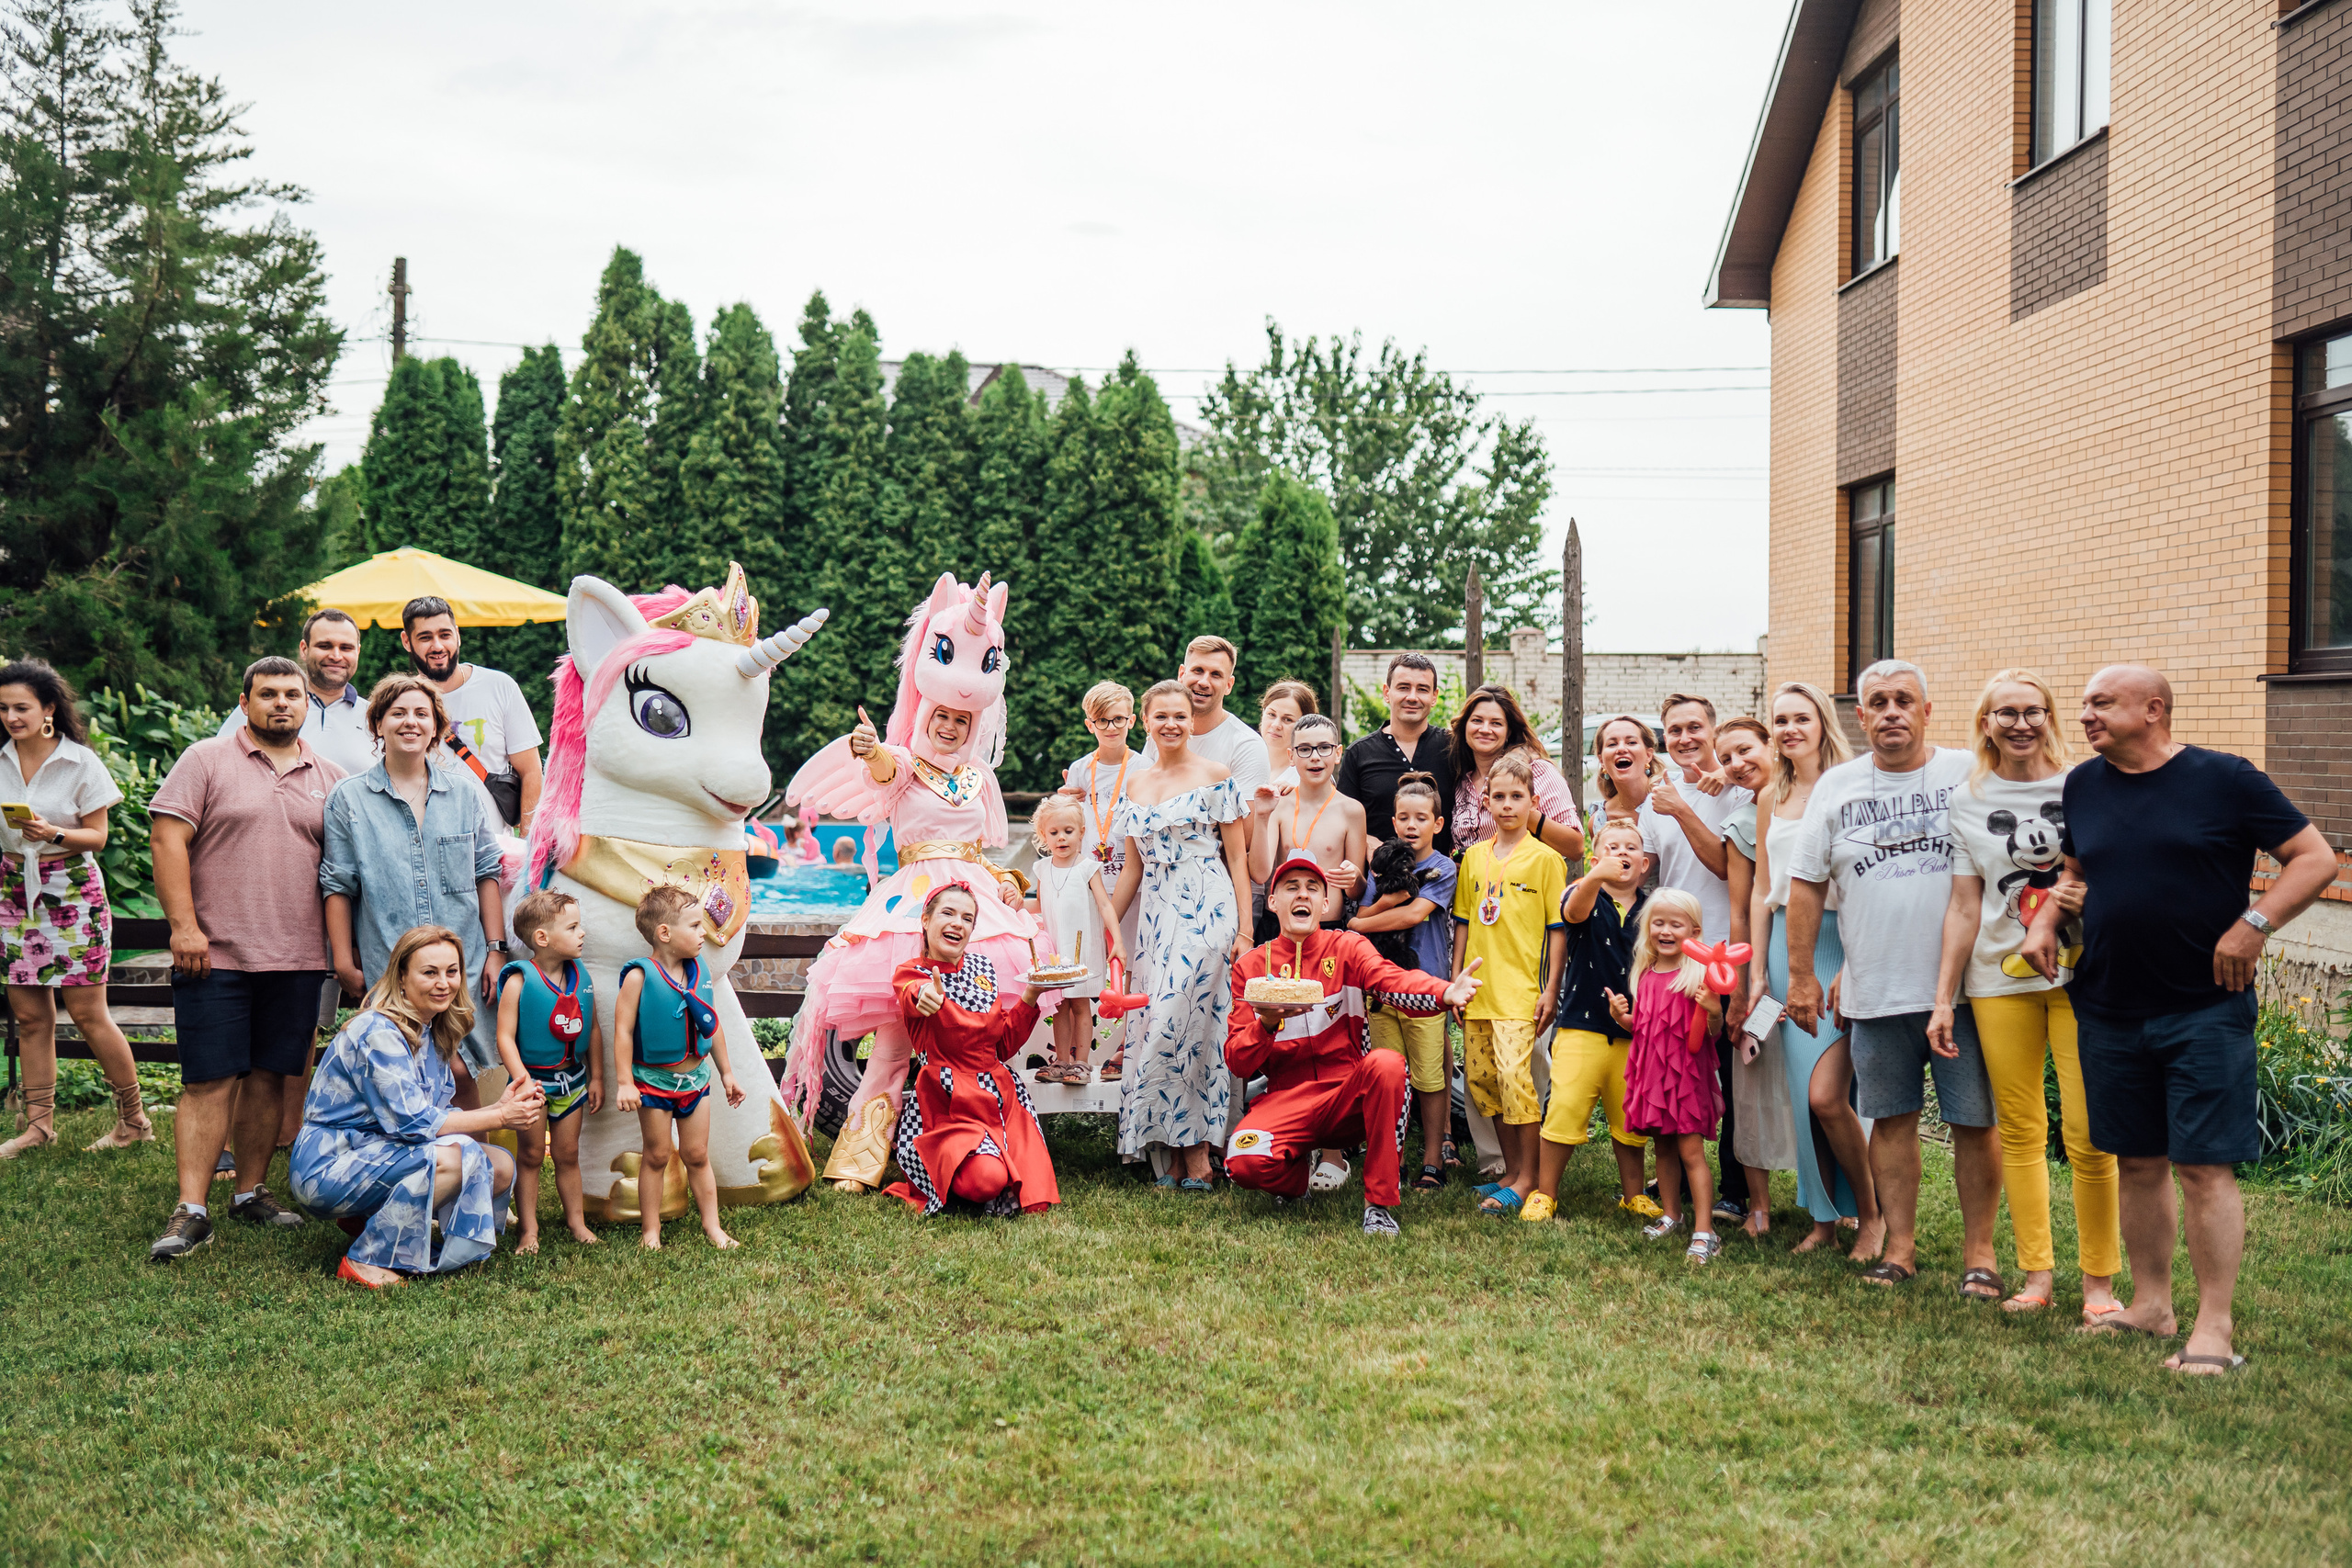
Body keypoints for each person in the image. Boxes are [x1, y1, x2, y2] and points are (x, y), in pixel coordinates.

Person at [2022, 664, 2335, 1374]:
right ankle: (2152, 1306)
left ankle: (2214, 1329)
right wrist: (2047, 918)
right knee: (2136, 1161)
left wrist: (2254, 922)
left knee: (2202, 1167)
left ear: (2153, 709)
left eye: (2101, 703)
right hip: (2107, 1004)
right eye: (2086, 704)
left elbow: (2315, 858)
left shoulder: (2225, 779)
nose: (2087, 715)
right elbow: (2077, 870)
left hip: (2203, 1007)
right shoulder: (2083, 784)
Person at [778, 571, 1038, 1193]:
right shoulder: (904, 765)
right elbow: (879, 770)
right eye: (940, 716)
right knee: (896, 1045)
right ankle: (859, 1164)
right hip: (911, 915)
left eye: (958, 718)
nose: (948, 726)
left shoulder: (981, 778)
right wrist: (868, 747)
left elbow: (982, 848)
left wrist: (1002, 879)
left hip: (976, 912)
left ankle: (989, 1146)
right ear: (926, 710)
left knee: (976, 1040)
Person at [1786, 660, 2001, 1293]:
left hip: (1963, 988)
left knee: (1973, 1120)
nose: (1891, 712)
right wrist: (1803, 973)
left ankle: (1980, 1255)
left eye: (1904, 700)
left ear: (1928, 710)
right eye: (1877, 702)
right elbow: (1806, 884)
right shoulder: (1838, 785)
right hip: (1875, 987)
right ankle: (1899, 1249)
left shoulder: (1966, 772)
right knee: (1892, 1118)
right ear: (1861, 715)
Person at [1927, 670, 2120, 1318]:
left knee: (2090, 1132)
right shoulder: (1967, 799)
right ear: (1984, 722)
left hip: (2081, 975)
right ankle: (2037, 1275)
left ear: (2049, 716)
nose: (2019, 723)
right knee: (2020, 1130)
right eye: (2004, 712)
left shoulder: (2084, 785)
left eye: (2032, 711)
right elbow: (1962, 904)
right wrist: (1943, 997)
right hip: (1995, 980)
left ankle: (2100, 1284)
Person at [147, 658, 348, 1261]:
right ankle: (192, 1208)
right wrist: (184, 926)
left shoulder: (333, 776)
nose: (281, 703)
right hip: (216, 951)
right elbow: (166, 838)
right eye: (268, 693)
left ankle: (250, 1191)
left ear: (308, 704)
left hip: (298, 954)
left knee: (270, 1075)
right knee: (209, 1078)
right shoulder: (205, 760)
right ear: (245, 700)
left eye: (292, 693)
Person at [1225, 856, 1484, 1235]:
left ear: (1326, 904)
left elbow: (1392, 981)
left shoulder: (1347, 946)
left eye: (1313, 888)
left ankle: (1378, 1205)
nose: (1303, 895)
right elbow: (1238, 1062)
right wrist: (1265, 1024)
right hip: (1286, 1100)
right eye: (1292, 887)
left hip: (1347, 1096)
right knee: (1244, 1161)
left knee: (1388, 1064)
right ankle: (1295, 1183)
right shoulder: (1250, 966)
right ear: (1273, 902)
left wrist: (1445, 991)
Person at [291, 924, 537, 1286]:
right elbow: (414, 1125)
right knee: (454, 1159)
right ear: (402, 978)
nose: (444, 983)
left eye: (451, 972)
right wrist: (499, 1115)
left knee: (498, 1166)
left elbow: (440, 1112)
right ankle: (366, 1259)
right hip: (330, 1164)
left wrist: (499, 1105)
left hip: (382, 1152)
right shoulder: (378, 1032)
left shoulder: (432, 1031)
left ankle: (371, 1216)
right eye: (430, 972)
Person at [319, 675, 507, 1089]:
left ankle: (473, 1154)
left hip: (464, 967)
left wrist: (496, 949)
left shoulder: (465, 794)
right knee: (404, 1077)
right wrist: (345, 964)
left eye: (422, 714)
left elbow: (485, 872)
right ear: (377, 725)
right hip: (390, 967)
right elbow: (338, 885)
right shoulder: (348, 799)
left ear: (437, 727)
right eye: (398, 713)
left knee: (469, 1074)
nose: (410, 722)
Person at [1746, 681, 1876, 1256]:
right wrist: (1756, 972)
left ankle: (1872, 1215)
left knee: (1831, 1094)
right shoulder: (1772, 794)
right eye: (1780, 720)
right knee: (1803, 1093)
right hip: (1785, 944)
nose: (1790, 729)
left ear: (1824, 721)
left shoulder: (1852, 787)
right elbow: (1760, 889)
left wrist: (1857, 960)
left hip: (1844, 944)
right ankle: (1824, 1220)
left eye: (1801, 718)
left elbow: (1865, 880)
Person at [0, 660, 149, 1156]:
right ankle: (39, 1126)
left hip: (71, 889)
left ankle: (134, 1120)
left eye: (21, 707)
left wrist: (53, 833)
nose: (11, 716)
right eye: (3, 708)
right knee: (30, 1018)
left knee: (87, 1013)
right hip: (11, 892)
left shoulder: (80, 762)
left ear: (48, 709)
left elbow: (99, 836)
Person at [1109, 680, 1251, 1188]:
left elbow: (1237, 860)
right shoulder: (1135, 784)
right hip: (1155, 919)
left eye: (1180, 715)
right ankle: (1171, 1148)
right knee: (1161, 1025)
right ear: (1145, 722)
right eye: (1160, 716)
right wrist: (1112, 934)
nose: (1170, 723)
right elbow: (1130, 871)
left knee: (1187, 1024)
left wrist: (1245, 931)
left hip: (1207, 911)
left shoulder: (1216, 775)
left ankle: (1197, 1157)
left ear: (1193, 722)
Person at [1639, 694, 1758, 1227]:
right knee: (1677, 1070)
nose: (1684, 738)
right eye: (1673, 731)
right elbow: (1645, 873)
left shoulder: (1740, 791)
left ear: (1713, 730)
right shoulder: (1655, 799)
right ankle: (1679, 1180)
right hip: (1672, 957)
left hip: (1724, 953)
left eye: (1694, 728)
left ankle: (1733, 1190)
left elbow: (1724, 870)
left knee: (1731, 1079)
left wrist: (1685, 808)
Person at [884, 884, 1061, 1216]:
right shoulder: (912, 973)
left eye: (967, 918)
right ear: (925, 919)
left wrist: (1031, 995)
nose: (958, 924)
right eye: (947, 913)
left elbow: (1002, 1045)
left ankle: (993, 1159)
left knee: (1033, 1202)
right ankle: (950, 1169)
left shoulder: (983, 969)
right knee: (986, 1183)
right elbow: (913, 994)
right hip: (949, 1102)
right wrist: (925, 998)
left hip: (1001, 1097)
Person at [1454, 752, 1568, 1215]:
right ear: (1485, 802)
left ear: (1533, 802)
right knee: (1484, 1083)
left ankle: (1530, 1181)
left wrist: (1550, 990)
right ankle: (1511, 1171)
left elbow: (1558, 929)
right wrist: (1455, 978)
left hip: (1521, 995)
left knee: (1515, 1079)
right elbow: (1463, 921)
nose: (1506, 805)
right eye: (1498, 796)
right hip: (1478, 991)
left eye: (1516, 797)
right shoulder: (1474, 857)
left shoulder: (1547, 860)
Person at [1527, 819, 1656, 1224]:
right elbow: (1573, 911)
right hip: (1581, 1025)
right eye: (1612, 847)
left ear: (1645, 863)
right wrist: (1594, 877)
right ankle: (1545, 1192)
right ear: (1596, 859)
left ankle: (1633, 1194)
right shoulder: (1583, 894)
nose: (1622, 853)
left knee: (1629, 1119)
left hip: (1633, 1031)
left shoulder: (1653, 908)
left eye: (1631, 847)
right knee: (1564, 1108)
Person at [614, 886, 747, 1250]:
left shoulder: (699, 971)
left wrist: (727, 1074)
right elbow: (623, 1032)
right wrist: (625, 1082)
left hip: (696, 1080)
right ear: (665, 934)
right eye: (694, 925)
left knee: (697, 1155)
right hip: (654, 1081)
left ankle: (713, 1227)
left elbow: (711, 1025)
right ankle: (650, 1232)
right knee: (656, 1155)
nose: (703, 931)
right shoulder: (639, 977)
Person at [1346, 773, 1459, 1189]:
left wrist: (1373, 915)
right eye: (1404, 818)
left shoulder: (1442, 868)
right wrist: (1388, 900)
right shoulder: (1381, 868)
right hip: (1381, 987)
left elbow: (1413, 916)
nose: (1412, 825)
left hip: (1424, 983)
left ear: (1437, 824)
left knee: (1430, 1077)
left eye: (1421, 818)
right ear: (1393, 823)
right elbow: (1356, 920)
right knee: (1388, 1076)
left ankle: (1434, 1159)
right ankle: (1390, 1156)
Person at [1611, 889, 1727, 1262]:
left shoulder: (1698, 977)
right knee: (1662, 1147)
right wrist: (1621, 1018)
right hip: (1653, 1076)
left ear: (1693, 932)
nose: (1665, 930)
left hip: (1686, 1079)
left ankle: (1705, 1229)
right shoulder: (1644, 974)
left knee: (1691, 1152)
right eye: (1658, 923)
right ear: (1648, 928)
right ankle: (1672, 1213)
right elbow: (1643, 1027)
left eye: (1675, 924)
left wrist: (1713, 1010)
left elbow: (1713, 1034)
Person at [492, 888, 605, 1252]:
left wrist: (598, 1076)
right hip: (534, 1083)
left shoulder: (580, 975)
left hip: (572, 1080)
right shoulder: (519, 980)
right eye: (572, 928)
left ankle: (577, 1222)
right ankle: (529, 1230)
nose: (582, 933)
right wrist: (522, 1081)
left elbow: (594, 1028)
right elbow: (505, 1038)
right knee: (530, 1155)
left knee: (567, 1154)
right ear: (542, 938)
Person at [1714, 716, 1789, 1237]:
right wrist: (1740, 987)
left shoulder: (1817, 799)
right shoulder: (1741, 822)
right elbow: (1740, 912)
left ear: (1770, 745)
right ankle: (1757, 1205)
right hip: (1760, 952)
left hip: (1818, 948)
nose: (1737, 764)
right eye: (1727, 759)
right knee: (1753, 1080)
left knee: (1823, 1088)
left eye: (1744, 751)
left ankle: (1838, 1201)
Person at [399, 594, 543, 833]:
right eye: (425, 637)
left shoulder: (499, 686)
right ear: (407, 641)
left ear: (457, 634)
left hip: (495, 853)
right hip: (423, 853)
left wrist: (526, 847)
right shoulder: (399, 702)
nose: (437, 646)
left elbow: (531, 771)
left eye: (445, 635)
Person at [1062, 680, 1140, 1076]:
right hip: (1092, 879)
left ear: (1132, 719)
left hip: (1132, 880)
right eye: (1102, 721)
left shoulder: (1144, 767)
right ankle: (1077, 1056)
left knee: (1129, 959)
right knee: (1090, 959)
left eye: (1118, 719)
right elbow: (1071, 819)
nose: (1111, 727)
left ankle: (1127, 1046)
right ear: (1089, 724)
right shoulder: (1080, 768)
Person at [1026, 795, 1125, 1085]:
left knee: (1080, 1005)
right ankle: (1062, 1061)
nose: (1061, 838)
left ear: (1081, 833)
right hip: (1056, 951)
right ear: (1043, 836)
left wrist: (1116, 941)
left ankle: (1081, 1063)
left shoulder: (1087, 868)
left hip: (1082, 949)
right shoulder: (1042, 869)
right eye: (1054, 833)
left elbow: (1105, 905)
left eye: (1068, 831)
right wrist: (1017, 903)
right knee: (1059, 1006)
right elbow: (1041, 904)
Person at [214, 608, 376, 776]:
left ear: (357, 652)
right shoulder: (263, 709)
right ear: (304, 649)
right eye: (324, 646)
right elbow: (218, 766)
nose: (336, 656)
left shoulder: (377, 717)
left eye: (346, 648)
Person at [1248, 714, 1365, 931]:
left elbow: (1355, 891)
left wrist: (1355, 877)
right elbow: (1259, 873)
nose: (1315, 757)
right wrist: (1262, 817)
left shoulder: (1352, 811)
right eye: (1304, 749)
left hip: (1328, 927)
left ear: (1337, 753)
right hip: (1278, 926)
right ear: (1291, 756)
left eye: (1324, 748)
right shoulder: (1279, 805)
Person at [1449, 683, 1583, 860]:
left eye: (1496, 723)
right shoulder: (1460, 779)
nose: (1485, 729)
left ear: (1509, 731)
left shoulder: (1537, 772)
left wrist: (1522, 810)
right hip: (1469, 884)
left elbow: (1576, 847)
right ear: (1465, 726)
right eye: (1477, 720)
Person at [1337, 653, 1453, 849]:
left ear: (1434, 696)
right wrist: (1367, 840)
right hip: (1378, 878)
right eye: (1404, 687)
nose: (1412, 697)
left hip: (1443, 877)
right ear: (1387, 692)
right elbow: (1341, 821)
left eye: (1422, 689)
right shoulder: (1359, 754)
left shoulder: (1453, 748)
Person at [1139, 637, 1271, 805]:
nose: (1203, 682)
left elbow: (1247, 830)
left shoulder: (1246, 746)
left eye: (1215, 675)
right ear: (1181, 674)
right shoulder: (1163, 735)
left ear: (1229, 685)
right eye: (1198, 670)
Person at [1586, 716, 1661, 849]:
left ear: (1648, 755)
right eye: (1612, 744)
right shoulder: (1600, 821)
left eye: (1631, 742)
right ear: (1601, 761)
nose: (1621, 749)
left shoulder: (1668, 800)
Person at [1257, 678, 1317, 793]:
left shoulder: (1312, 774)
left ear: (1305, 725)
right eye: (1271, 714)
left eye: (1287, 719)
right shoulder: (1243, 760)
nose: (1276, 725)